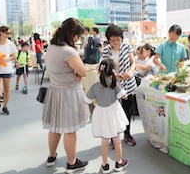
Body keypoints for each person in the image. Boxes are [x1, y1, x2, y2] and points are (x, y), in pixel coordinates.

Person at [42, 18, 90, 173]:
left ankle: (51, 157)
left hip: (55, 91)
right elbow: (83, 71)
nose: (78, 39)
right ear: (72, 34)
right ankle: (71, 163)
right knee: (70, 130)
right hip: (68, 93)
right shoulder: (68, 51)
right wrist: (78, 73)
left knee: (55, 128)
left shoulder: (52, 47)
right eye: (78, 36)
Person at [84, 59, 129, 173]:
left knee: (104, 140)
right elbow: (124, 96)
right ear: (113, 72)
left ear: (99, 71)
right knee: (117, 139)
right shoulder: (115, 84)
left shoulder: (95, 86)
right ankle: (119, 162)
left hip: (101, 114)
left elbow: (87, 100)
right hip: (114, 113)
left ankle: (105, 164)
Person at [100, 24, 137, 146]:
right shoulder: (106, 50)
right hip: (112, 84)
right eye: (113, 39)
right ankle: (112, 136)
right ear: (108, 39)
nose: (116, 42)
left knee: (127, 110)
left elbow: (133, 62)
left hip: (128, 83)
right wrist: (112, 74)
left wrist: (131, 71)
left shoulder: (127, 47)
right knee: (112, 111)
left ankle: (127, 133)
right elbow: (102, 68)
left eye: (118, 39)